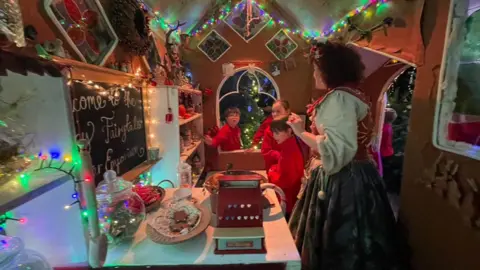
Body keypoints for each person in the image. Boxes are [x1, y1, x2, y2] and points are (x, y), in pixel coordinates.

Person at [287, 41, 403, 270]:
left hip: (342, 178)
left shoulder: (339, 98)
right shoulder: (354, 95)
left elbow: (337, 149)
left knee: (339, 238)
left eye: (316, 68)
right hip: (361, 172)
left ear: (329, 70)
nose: (314, 73)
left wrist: (300, 132)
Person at [267, 117, 304, 217]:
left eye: (277, 133)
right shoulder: (293, 143)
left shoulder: (289, 150)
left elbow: (284, 181)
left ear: (289, 130)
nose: (274, 136)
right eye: (273, 133)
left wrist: (271, 172)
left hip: (288, 200)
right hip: (291, 196)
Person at [260, 100, 291, 171]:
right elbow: (265, 151)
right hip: (274, 168)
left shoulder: (294, 127)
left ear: (287, 111)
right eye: (273, 111)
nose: (275, 114)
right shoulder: (269, 130)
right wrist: (280, 156)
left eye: (278, 111)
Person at [381, 107, 398, 193]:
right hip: (388, 152)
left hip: (384, 154)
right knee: (387, 173)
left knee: (383, 172)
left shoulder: (383, 129)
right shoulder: (388, 126)